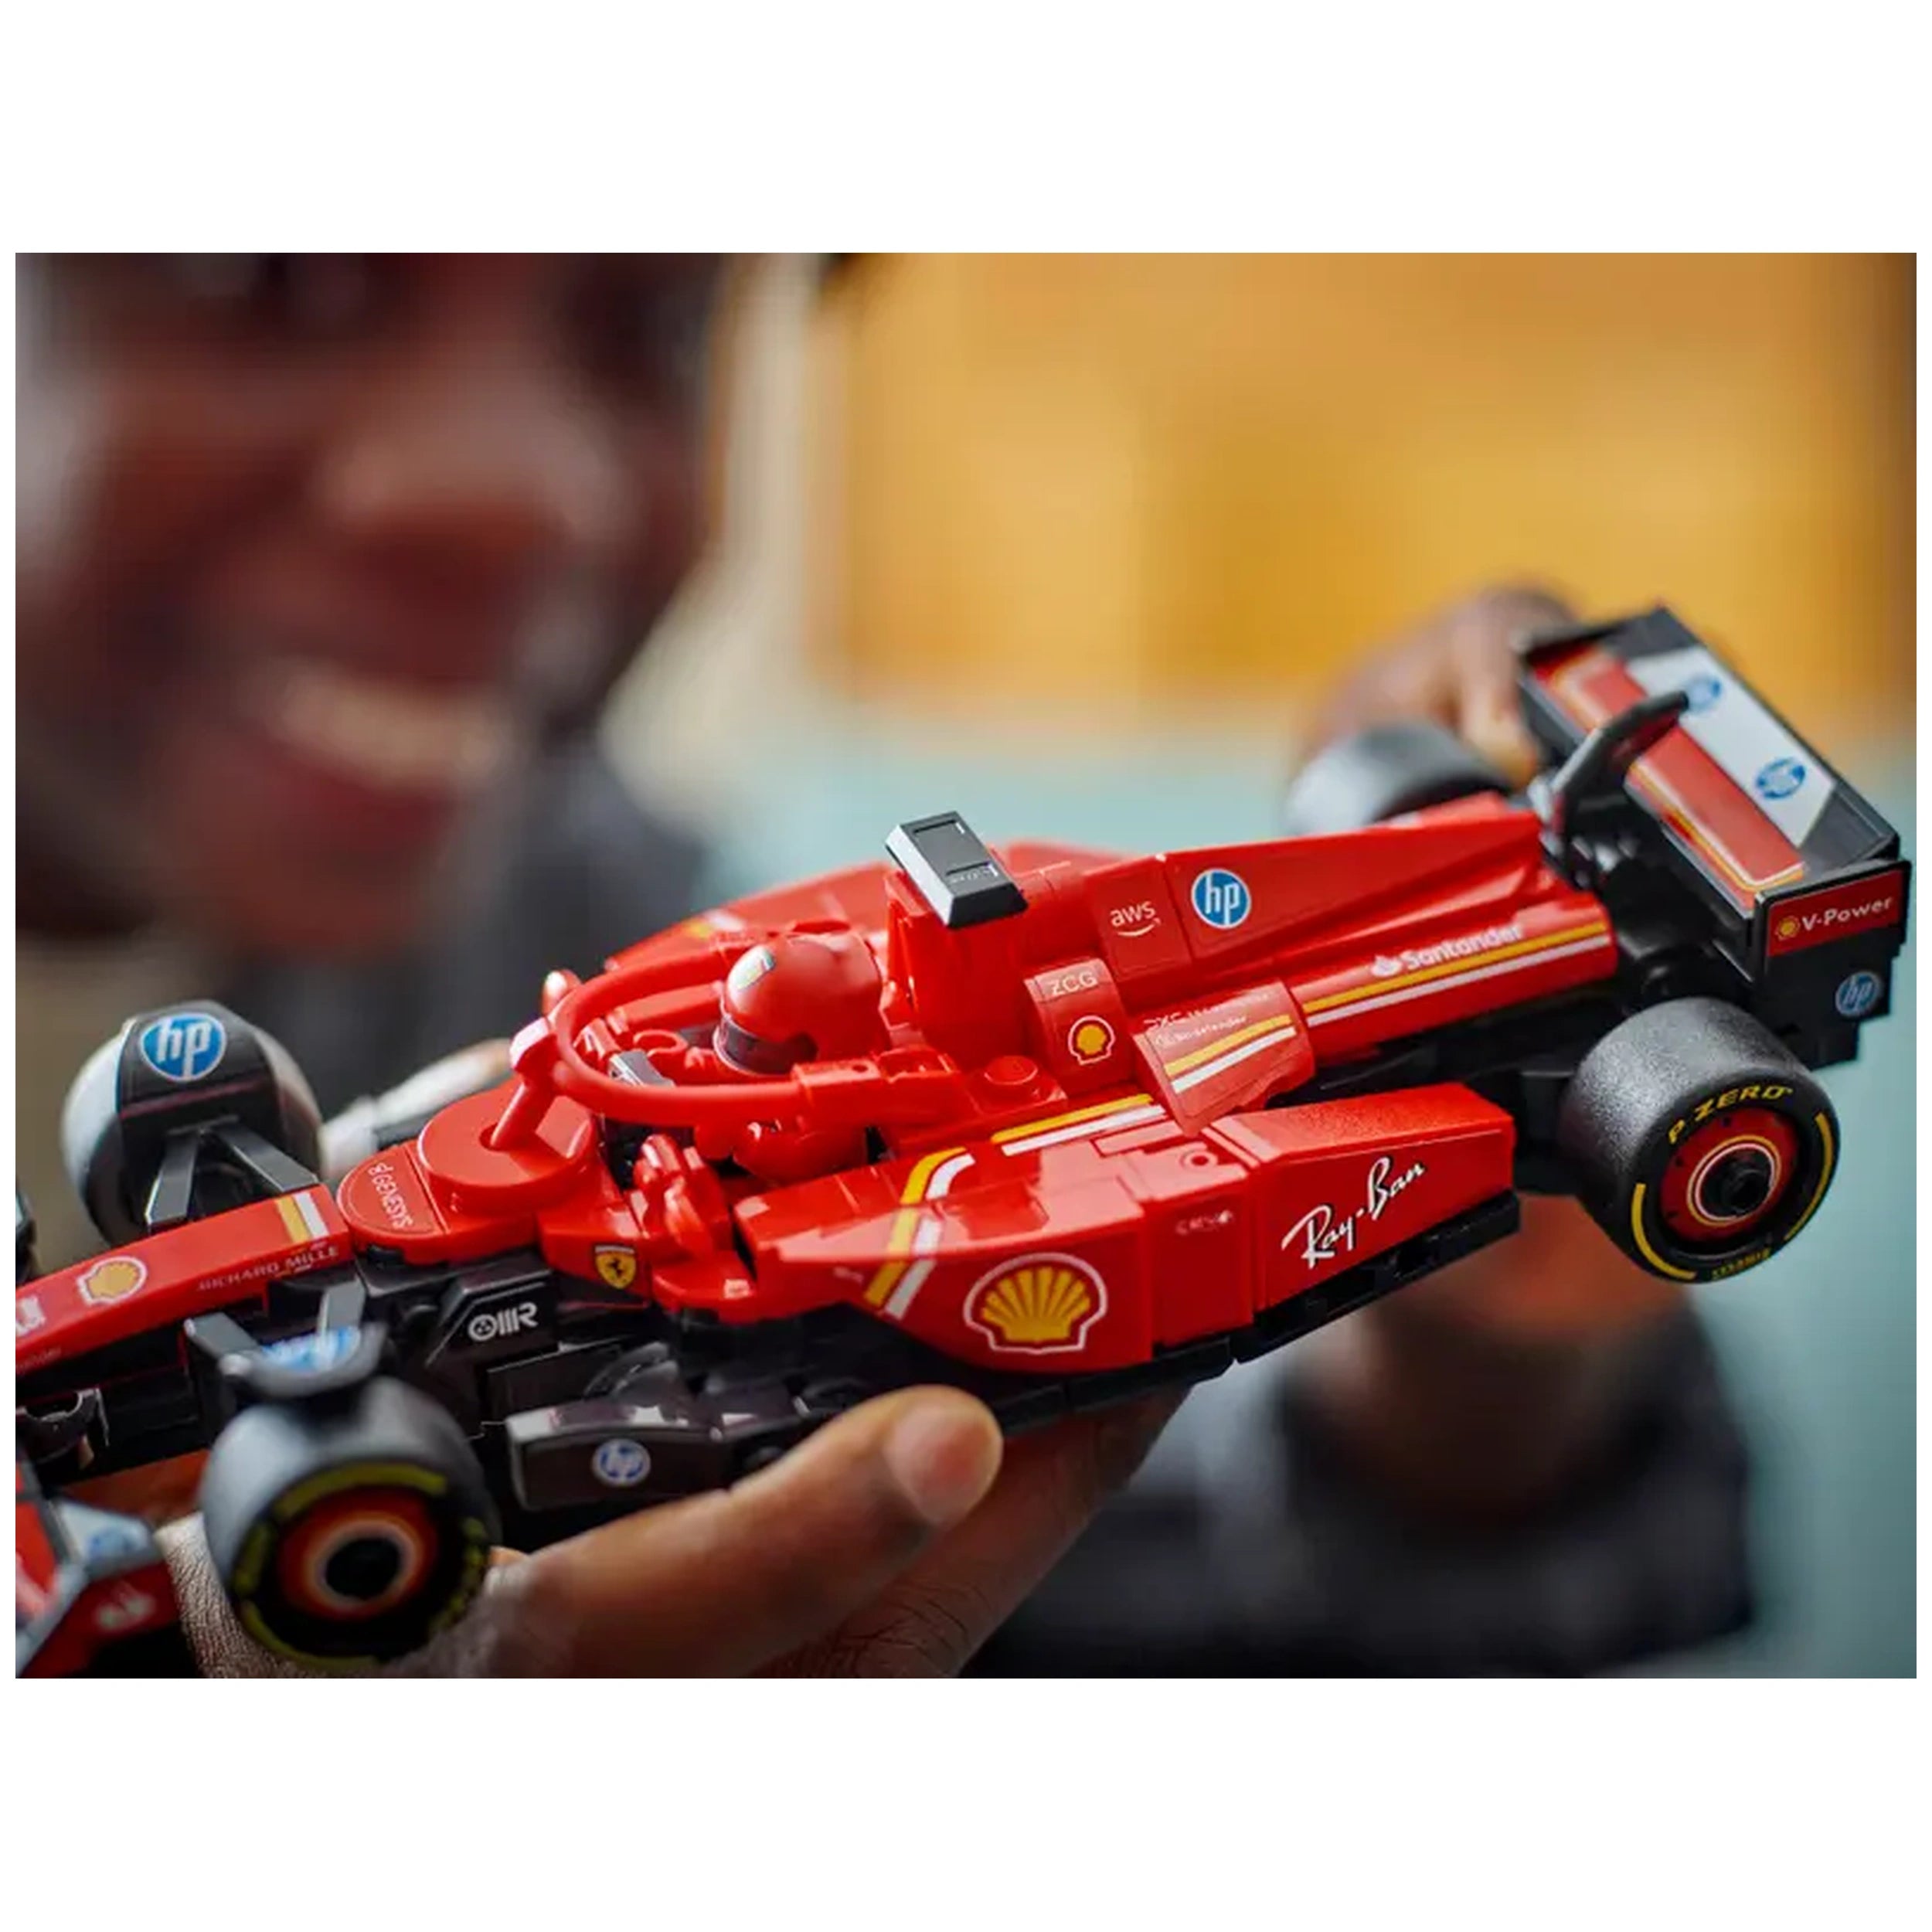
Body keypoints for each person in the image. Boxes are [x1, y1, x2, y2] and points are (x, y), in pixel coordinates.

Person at [14, 254, 1750, 1675]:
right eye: (275, 280)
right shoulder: (573, 964)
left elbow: (1215, 1572)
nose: (514, 486)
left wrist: (1478, 1315)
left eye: (654, 320)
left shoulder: (601, 904)